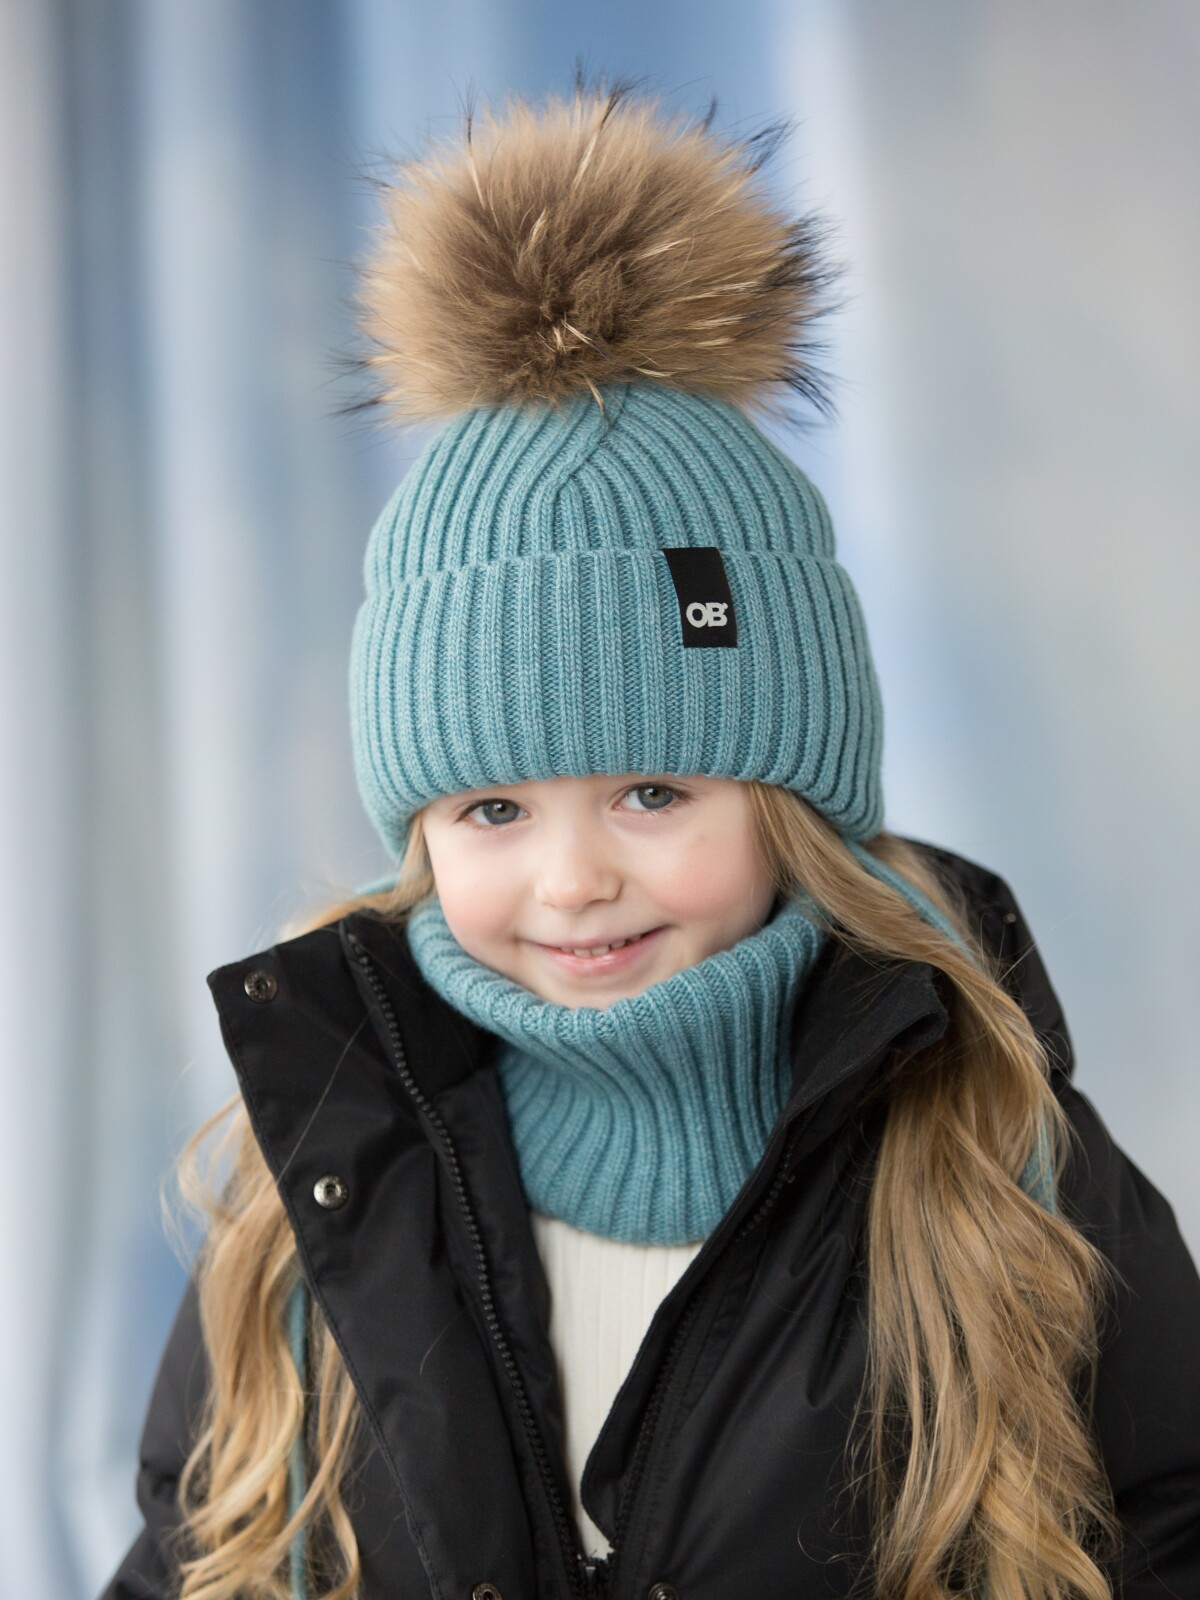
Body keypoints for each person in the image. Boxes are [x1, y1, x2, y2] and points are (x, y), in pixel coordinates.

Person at [100, 80, 1200, 1600]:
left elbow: (1166, 1526)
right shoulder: (330, 1175)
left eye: (653, 793)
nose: (573, 882)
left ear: (791, 799)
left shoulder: (986, 1153)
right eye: (494, 809)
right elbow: (189, 1554)